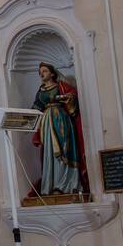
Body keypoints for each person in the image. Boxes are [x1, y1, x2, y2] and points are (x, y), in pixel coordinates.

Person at [31, 62, 87, 196]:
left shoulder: (61, 86)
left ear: (52, 73)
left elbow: (72, 97)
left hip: (61, 120)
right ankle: (50, 185)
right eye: (40, 72)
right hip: (46, 124)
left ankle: (66, 184)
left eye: (44, 71)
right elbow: (36, 107)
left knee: (64, 149)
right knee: (49, 152)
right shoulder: (41, 91)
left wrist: (68, 98)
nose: (42, 74)